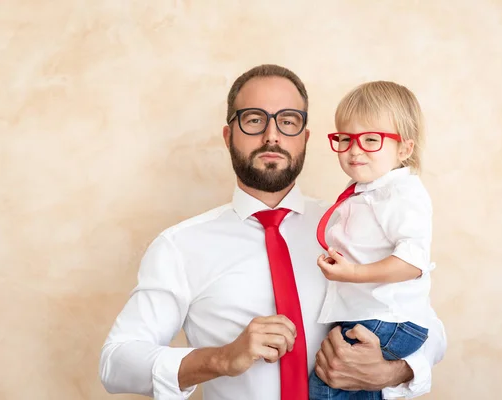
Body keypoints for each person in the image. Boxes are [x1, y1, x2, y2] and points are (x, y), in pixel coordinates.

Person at [99, 64, 446, 400]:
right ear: (227, 135)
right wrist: (220, 358)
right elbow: (116, 361)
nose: (272, 136)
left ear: (305, 138)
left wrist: (394, 372)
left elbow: (428, 328)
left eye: (288, 121)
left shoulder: (351, 223)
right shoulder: (179, 246)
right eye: (253, 120)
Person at [308, 81, 437, 400]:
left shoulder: (400, 195)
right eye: (345, 138)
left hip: (386, 319)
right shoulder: (370, 193)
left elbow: (412, 262)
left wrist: (352, 273)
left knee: (327, 387)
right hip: (374, 315)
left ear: (404, 149)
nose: (354, 150)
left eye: (370, 139)